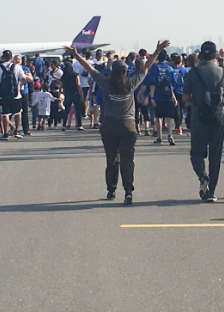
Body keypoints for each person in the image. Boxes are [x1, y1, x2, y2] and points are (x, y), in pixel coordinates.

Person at [68, 41, 167, 205]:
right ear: (126, 72)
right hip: (128, 125)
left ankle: (111, 189)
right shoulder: (131, 83)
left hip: (109, 125)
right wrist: (157, 51)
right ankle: (128, 191)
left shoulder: (106, 82)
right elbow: (146, 68)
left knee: (112, 158)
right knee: (128, 159)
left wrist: (76, 55)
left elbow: (89, 68)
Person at [184, 41, 224, 203]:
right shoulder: (222, 72)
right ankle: (212, 191)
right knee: (215, 155)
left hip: (199, 117)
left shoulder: (193, 73)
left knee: (196, 153)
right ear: (215, 55)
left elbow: (185, 97)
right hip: (219, 117)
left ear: (200, 56)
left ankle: (202, 175)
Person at [0, 50, 26, 140]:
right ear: (11, 58)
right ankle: (17, 131)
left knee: (5, 114)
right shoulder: (16, 66)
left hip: (3, 94)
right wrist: (19, 87)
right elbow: (23, 78)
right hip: (16, 94)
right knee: (18, 112)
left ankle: (6, 133)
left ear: (3, 57)